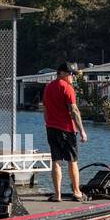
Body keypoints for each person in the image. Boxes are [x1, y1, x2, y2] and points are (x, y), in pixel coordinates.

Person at [42, 62, 88, 201]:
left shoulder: (48, 87)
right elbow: (74, 111)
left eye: (73, 73)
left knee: (56, 160)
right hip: (66, 130)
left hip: (51, 128)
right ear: (61, 73)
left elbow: (45, 109)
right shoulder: (67, 88)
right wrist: (82, 131)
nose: (72, 76)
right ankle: (77, 192)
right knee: (72, 161)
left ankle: (57, 194)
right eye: (69, 73)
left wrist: (48, 123)